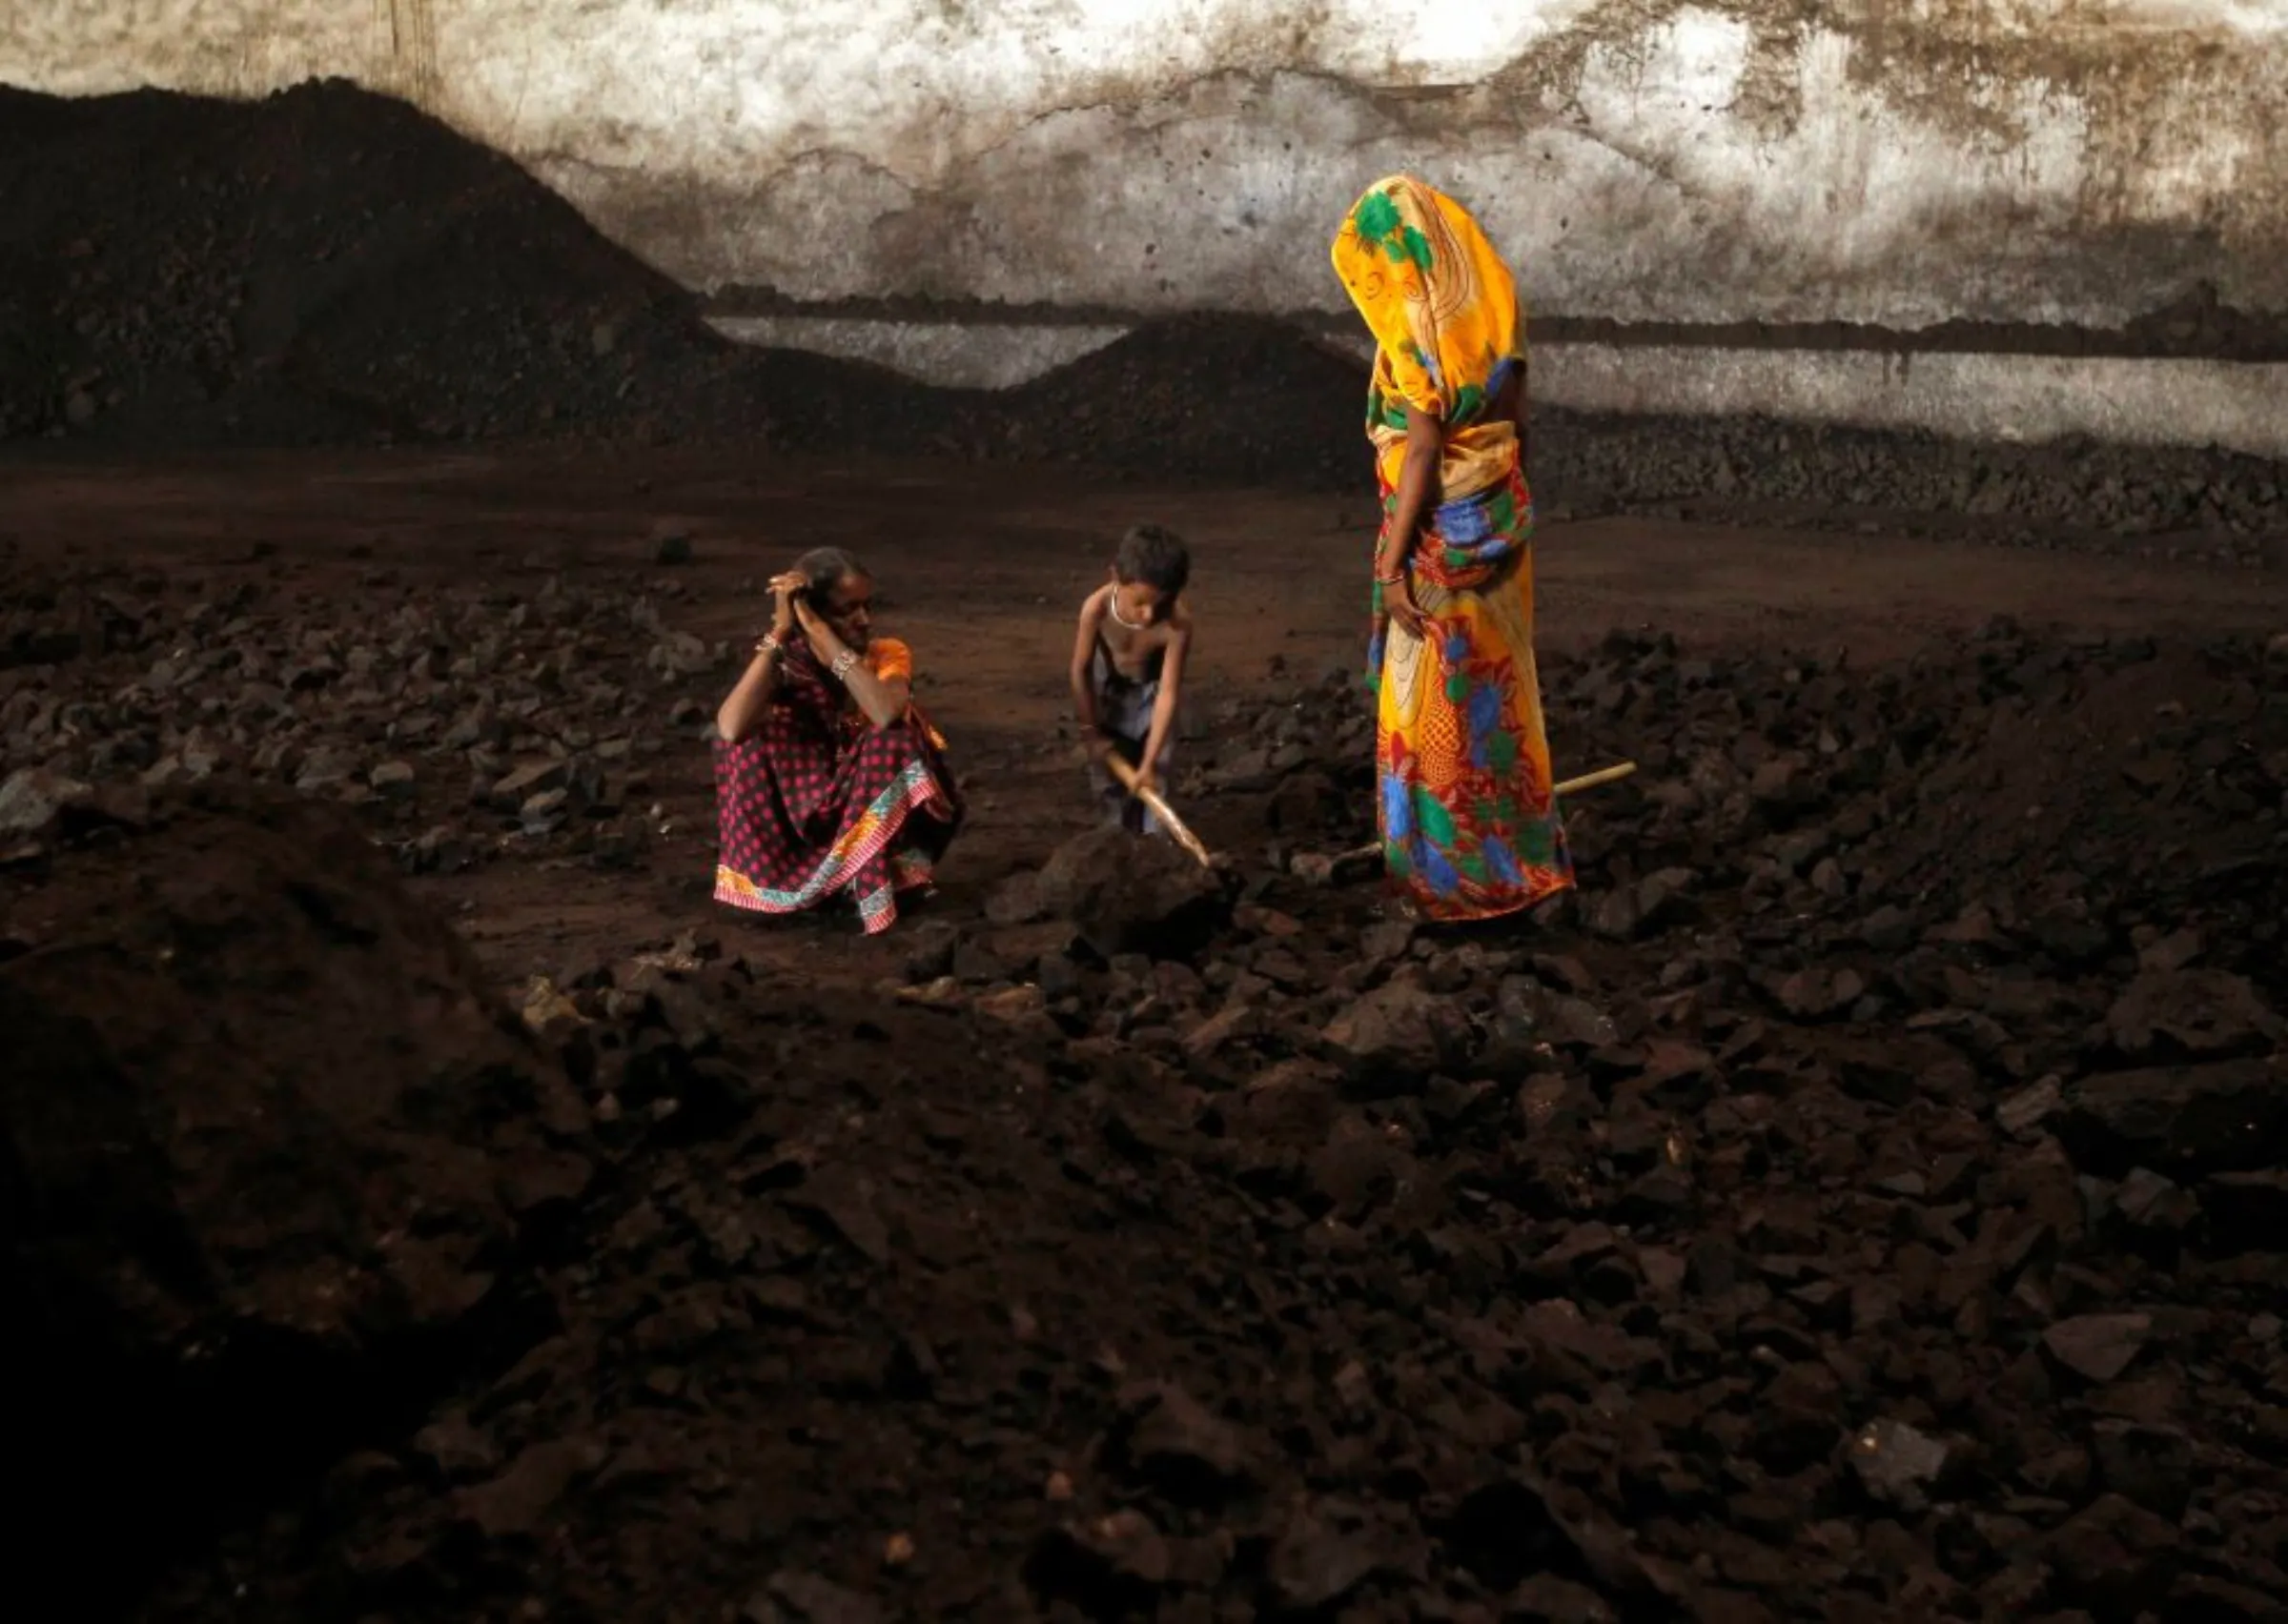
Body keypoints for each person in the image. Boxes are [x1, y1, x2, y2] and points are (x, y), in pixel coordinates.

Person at [1329, 173, 1575, 922]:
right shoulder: (1494, 310)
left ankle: (1456, 881)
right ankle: (1527, 858)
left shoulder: (1419, 334)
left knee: (1434, 709)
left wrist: (1393, 562)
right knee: (1501, 699)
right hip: (1497, 526)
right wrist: (1502, 512)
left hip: (1436, 540)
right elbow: (1521, 427)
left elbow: (1423, 454)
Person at [712, 546, 962, 934]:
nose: (864, 620)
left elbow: (883, 712)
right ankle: (787, 883)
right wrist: (782, 630)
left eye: (866, 606)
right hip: (805, 809)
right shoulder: (787, 660)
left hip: (857, 798)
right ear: (814, 613)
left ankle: (871, 884)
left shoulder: (885, 655)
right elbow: (730, 727)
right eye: (846, 611)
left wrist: (825, 639)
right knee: (750, 738)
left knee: (894, 738)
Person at [1069, 522, 1194, 835]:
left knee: (1157, 780)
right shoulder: (1095, 610)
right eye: (1140, 603)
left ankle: (1154, 847)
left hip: (1153, 697)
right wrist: (1090, 731)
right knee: (1109, 783)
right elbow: (1080, 671)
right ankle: (1119, 842)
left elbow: (1168, 693)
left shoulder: (1177, 625)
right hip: (1108, 692)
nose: (1150, 615)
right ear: (1115, 578)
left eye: (1161, 604)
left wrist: (1149, 762)